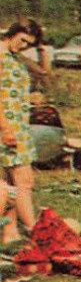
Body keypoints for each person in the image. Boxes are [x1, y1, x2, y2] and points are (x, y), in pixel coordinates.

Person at [1, 22, 40, 246]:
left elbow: (43, 72)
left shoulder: (12, 56)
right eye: (22, 40)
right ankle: (35, 231)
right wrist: (5, 128)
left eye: (29, 44)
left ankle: (10, 230)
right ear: (13, 33)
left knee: (9, 183)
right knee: (24, 181)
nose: (24, 46)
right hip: (8, 126)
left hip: (18, 124)